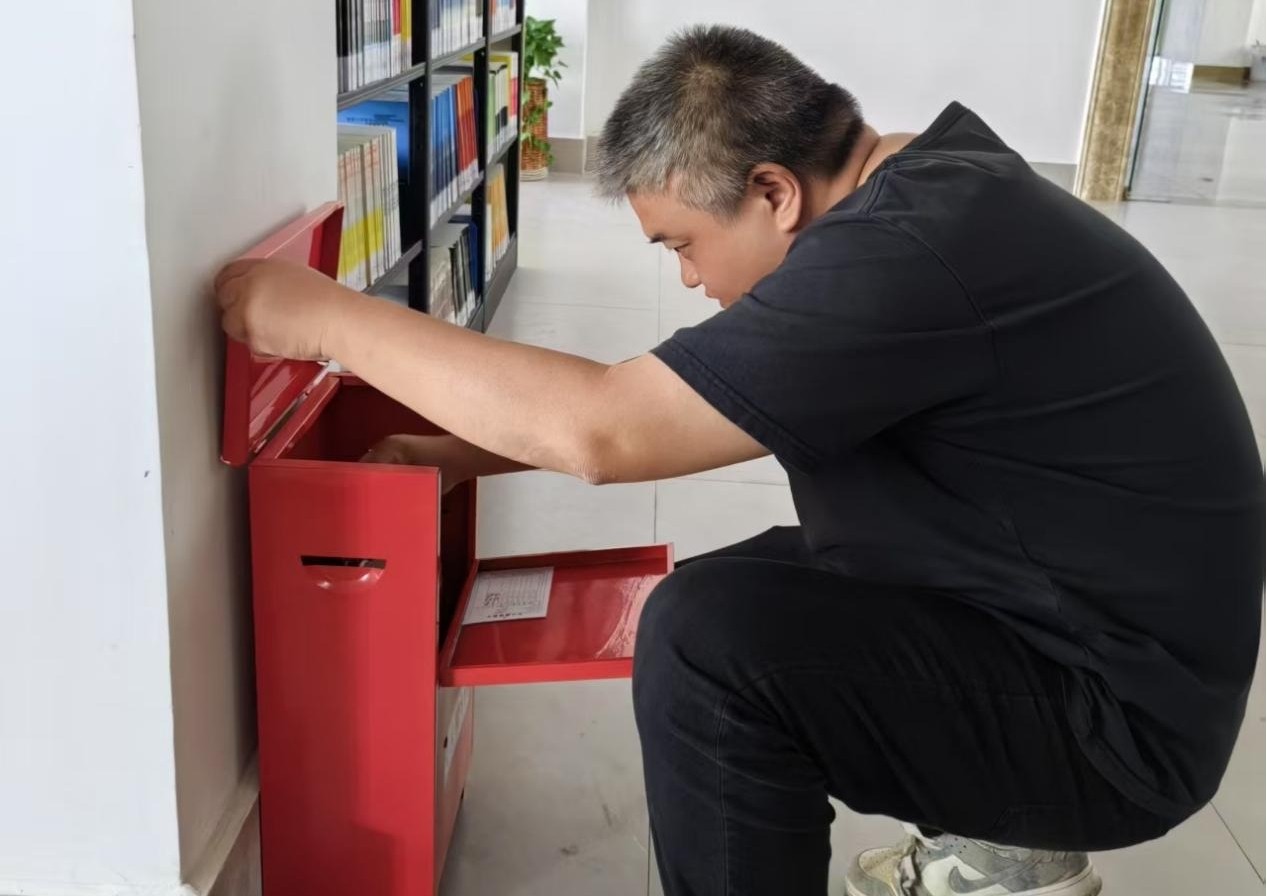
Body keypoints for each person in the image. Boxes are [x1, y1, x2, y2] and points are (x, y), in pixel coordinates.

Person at [215, 24, 1264, 896]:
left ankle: (1015, 844)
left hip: (1115, 723)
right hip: (1087, 626)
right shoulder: (923, 187)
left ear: (772, 192)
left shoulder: (904, 258)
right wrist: (452, 457)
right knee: (760, 578)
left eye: (681, 244)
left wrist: (325, 317)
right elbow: (686, 396)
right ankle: (1002, 848)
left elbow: (608, 427)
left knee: (710, 648)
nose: (686, 279)